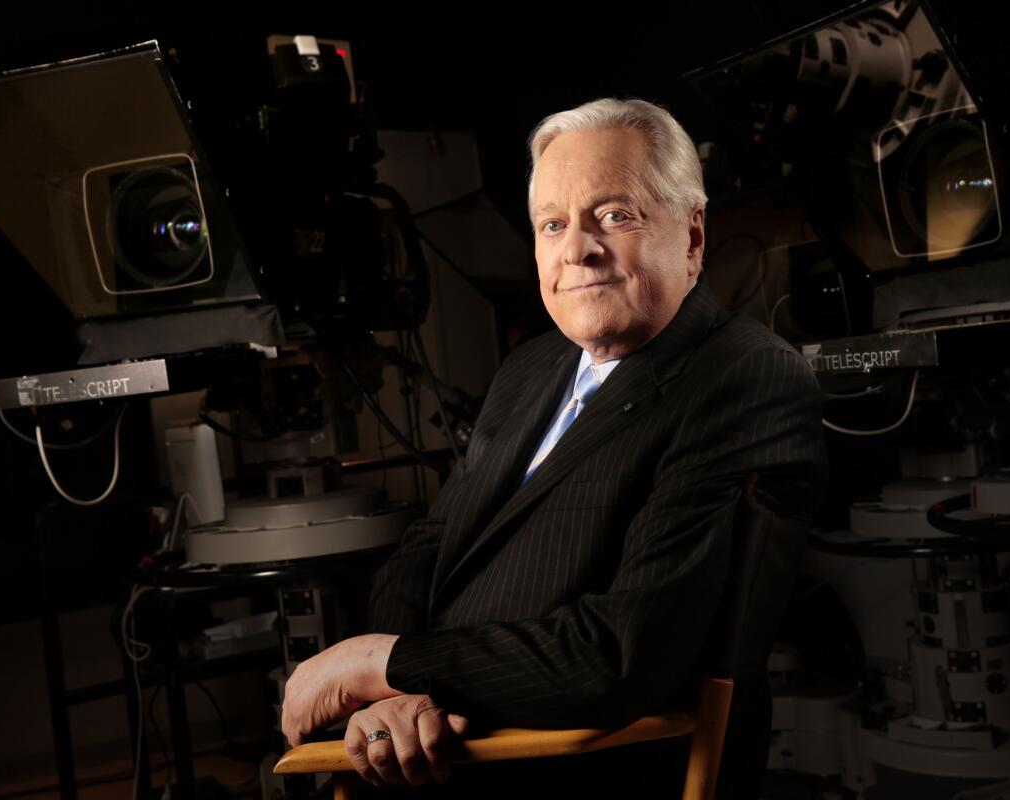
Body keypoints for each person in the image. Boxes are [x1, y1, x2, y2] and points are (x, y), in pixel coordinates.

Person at [280, 98, 827, 793]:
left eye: (615, 216)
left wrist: (380, 664)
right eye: (553, 224)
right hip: (441, 742)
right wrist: (391, 699)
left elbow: (619, 656)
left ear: (691, 236)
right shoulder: (533, 368)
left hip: (579, 770)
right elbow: (429, 547)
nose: (578, 249)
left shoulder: (745, 378)